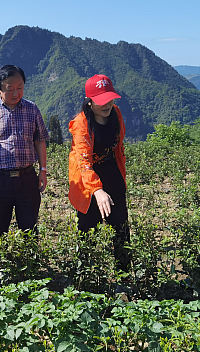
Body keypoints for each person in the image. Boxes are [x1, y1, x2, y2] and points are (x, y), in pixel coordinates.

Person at [0, 65, 49, 238]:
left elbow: (40, 140)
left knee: (29, 230)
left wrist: (43, 170)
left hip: (27, 178)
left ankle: (30, 264)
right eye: (10, 89)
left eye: (20, 88)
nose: (16, 93)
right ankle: (1, 263)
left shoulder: (32, 109)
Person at [68, 74, 130, 273]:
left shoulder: (116, 114)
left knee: (121, 229)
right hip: (88, 184)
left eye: (110, 99)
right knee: (87, 231)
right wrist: (98, 190)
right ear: (89, 101)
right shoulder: (81, 123)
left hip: (112, 174)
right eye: (102, 101)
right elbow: (84, 163)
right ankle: (86, 277)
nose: (108, 105)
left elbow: (118, 147)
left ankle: (124, 276)